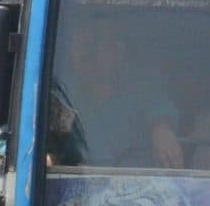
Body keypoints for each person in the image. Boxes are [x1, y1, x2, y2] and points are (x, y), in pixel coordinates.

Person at [43, 15, 183, 169]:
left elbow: (159, 107)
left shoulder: (142, 86)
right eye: (82, 50)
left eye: (96, 45)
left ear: (119, 51)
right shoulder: (62, 92)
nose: (89, 56)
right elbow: (48, 148)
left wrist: (161, 129)